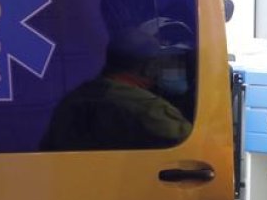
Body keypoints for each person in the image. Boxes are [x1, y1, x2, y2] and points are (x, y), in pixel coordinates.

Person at [41, 17, 192, 151]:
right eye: (161, 63)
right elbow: (194, 148)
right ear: (148, 67)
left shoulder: (72, 101)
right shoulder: (149, 109)